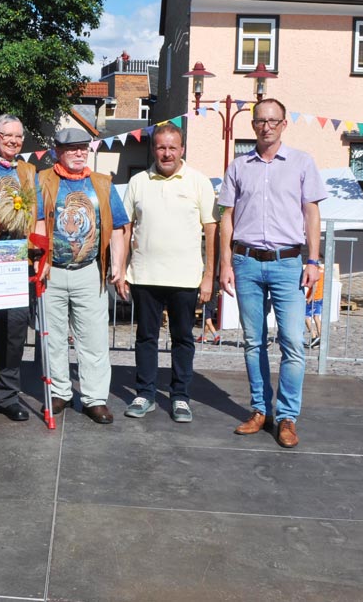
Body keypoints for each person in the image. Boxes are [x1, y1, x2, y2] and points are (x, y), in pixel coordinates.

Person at [219, 98, 327, 448]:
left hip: (288, 264)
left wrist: (313, 261)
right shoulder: (238, 166)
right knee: (253, 342)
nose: (266, 126)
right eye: (260, 121)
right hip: (247, 262)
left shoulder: (301, 163)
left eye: (272, 121)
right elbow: (227, 218)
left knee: (293, 342)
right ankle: (260, 410)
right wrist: (225, 263)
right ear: (252, 126)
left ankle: (287, 417)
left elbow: (311, 214)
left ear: (283, 124)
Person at [116, 124, 217, 423]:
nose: (167, 153)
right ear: (153, 149)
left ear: (182, 149)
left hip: (186, 278)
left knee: (183, 339)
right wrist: (120, 270)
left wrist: (209, 275)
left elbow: (212, 230)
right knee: (145, 337)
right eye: (161, 147)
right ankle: (145, 393)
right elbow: (126, 228)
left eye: (173, 147)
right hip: (145, 275)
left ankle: (180, 396)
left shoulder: (199, 182)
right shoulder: (137, 182)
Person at [39, 128, 129, 424]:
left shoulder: (102, 183)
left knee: (93, 338)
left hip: (90, 272)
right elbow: (36, 221)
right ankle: (60, 392)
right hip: (52, 272)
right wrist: (40, 261)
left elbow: (117, 225)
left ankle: (94, 398)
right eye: (71, 148)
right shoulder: (43, 181)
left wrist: (118, 265)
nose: (79, 153)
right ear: (57, 151)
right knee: (51, 338)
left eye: (83, 148)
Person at [0, 114, 46, 421]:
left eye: (19, 137)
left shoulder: (28, 171)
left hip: (16, 259)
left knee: (14, 329)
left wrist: (41, 252)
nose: (14, 141)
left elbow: (38, 215)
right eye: (8, 136)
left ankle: (6, 395)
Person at [305, 256, 325, 348]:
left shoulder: (316, 272)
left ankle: (314, 336)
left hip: (314, 298)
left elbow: (315, 286)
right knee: (316, 317)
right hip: (320, 297)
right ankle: (321, 337)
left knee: (305, 316)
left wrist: (310, 298)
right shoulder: (322, 271)